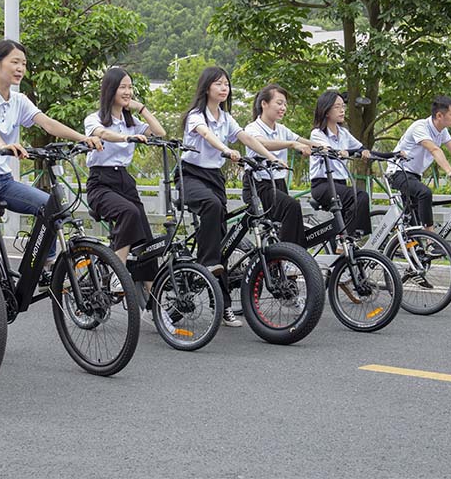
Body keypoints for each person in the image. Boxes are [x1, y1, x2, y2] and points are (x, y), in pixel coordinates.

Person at [0, 39, 102, 365]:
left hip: (4, 182)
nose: (20, 68)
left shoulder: (18, 100)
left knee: (52, 206)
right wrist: (2, 145)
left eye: (23, 63)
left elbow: (46, 123)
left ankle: (46, 260)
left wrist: (83, 138)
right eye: (14, 62)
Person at [179, 66, 285, 327]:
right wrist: (226, 150)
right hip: (190, 176)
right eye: (218, 84)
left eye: (226, 84)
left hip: (214, 178)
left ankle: (223, 305)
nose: (224, 88)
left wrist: (271, 158)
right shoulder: (196, 115)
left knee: (222, 240)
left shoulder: (226, 118)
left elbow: (245, 137)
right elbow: (206, 134)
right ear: (206, 88)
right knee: (212, 209)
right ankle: (205, 263)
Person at [83, 67, 166, 311]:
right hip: (101, 182)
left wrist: (141, 108)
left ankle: (156, 304)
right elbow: (102, 134)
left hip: (125, 182)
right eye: (123, 87)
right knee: (128, 213)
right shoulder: (94, 118)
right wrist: (125, 139)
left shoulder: (132, 122)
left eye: (130, 87)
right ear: (110, 89)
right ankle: (117, 273)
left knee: (148, 244)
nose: (128, 91)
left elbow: (160, 133)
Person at [386, 95, 451, 231]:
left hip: (414, 175)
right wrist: (450, 171)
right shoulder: (420, 127)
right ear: (439, 115)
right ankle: (431, 240)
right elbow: (434, 149)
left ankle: (413, 247)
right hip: (398, 172)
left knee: (414, 226)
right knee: (425, 193)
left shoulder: (442, 131)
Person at [242, 84, 327, 247]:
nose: (283, 108)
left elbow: (301, 140)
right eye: (279, 103)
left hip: (278, 184)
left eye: (285, 104)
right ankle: (289, 255)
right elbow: (263, 143)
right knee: (292, 207)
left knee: (282, 222)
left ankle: (285, 257)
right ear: (264, 104)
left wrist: (325, 148)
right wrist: (291, 144)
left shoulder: (282, 129)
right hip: (259, 185)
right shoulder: (252, 128)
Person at [309, 90, 373, 238]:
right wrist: (340, 152)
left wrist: (364, 152)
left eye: (343, 106)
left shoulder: (343, 132)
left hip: (339, 184)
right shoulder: (317, 133)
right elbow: (327, 149)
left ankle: (344, 241)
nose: (342, 110)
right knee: (360, 196)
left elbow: (359, 147)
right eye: (337, 107)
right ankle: (349, 238)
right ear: (326, 111)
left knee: (355, 200)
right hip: (322, 185)